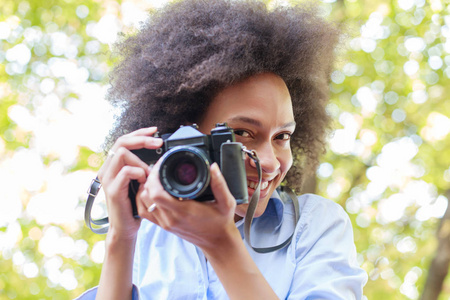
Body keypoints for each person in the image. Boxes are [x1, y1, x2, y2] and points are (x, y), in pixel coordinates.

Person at [77, 0, 367, 299]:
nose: (269, 162)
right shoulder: (145, 236)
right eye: (242, 133)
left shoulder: (315, 225)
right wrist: (120, 239)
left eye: (282, 137)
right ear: (185, 139)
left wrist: (221, 244)